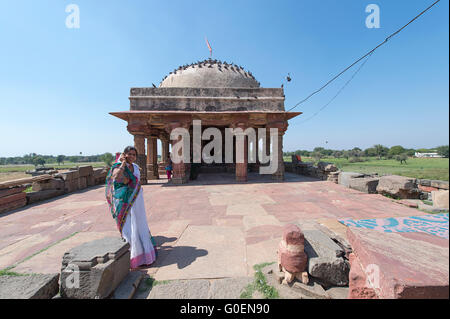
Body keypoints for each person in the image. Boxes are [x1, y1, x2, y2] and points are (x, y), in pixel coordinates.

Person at [105, 146, 157, 269]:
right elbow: (117, 177)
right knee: (128, 226)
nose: (132, 156)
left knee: (139, 224)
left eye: (134, 154)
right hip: (124, 201)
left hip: (137, 199)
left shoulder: (134, 167)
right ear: (125, 154)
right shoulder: (118, 165)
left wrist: (128, 179)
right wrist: (122, 163)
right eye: (130, 154)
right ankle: (130, 256)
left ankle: (143, 254)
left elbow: (134, 181)